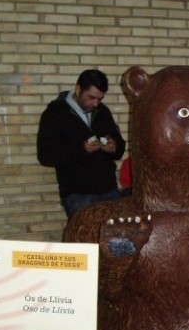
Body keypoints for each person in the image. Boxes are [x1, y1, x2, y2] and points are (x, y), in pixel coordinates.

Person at [37, 69, 126, 219]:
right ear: (78, 90)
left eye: (100, 99)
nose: (95, 103)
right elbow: (46, 155)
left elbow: (120, 147)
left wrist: (114, 147)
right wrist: (81, 149)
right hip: (78, 195)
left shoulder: (103, 111)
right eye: (91, 97)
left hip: (109, 190)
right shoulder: (55, 112)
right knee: (84, 235)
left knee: (119, 233)